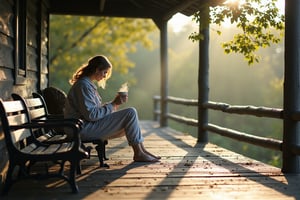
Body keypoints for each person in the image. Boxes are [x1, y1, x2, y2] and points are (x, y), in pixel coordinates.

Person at [64, 55, 160, 162]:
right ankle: (139, 153)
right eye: (104, 72)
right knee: (130, 113)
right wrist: (113, 104)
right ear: (97, 70)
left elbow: (92, 111)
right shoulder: (83, 85)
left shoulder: (86, 84)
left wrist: (113, 104)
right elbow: (91, 115)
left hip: (83, 125)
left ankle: (142, 151)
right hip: (80, 128)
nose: (105, 76)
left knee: (130, 117)